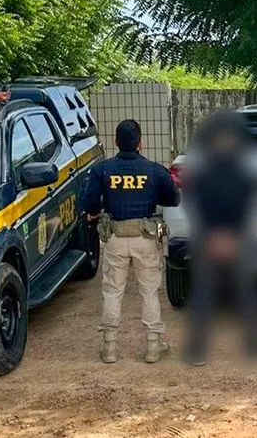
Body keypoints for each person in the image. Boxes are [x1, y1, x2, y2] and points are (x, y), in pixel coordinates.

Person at [80, 119, 180, 364]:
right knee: (149, 292)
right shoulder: (154, 170)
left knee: (113, 292)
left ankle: (110, 348)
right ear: (140, 143)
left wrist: (99, 208)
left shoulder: (102, 170)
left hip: (115, 237)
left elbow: (89, 204)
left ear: (116, 142)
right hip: (145, 238)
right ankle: (153, 346)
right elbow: (173, 199)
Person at [182, 111, 257, 366]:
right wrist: (215, 237)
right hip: (211, 240)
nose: (225, 142)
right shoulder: (203, 174)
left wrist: (232, 237)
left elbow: (247, 207)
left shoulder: (242, 173)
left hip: (235, 239)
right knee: (204, 294)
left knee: (245, 293)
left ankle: (255, 347)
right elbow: (197, 207)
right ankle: (197, 350)